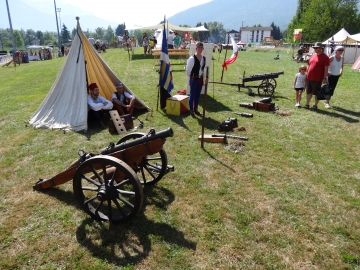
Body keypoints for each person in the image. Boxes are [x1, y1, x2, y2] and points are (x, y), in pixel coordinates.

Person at [304, 42, 330, 110]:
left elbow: (326, 68)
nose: (315, 49)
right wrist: (307, 72)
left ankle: (315, 105)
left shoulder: (325, 57)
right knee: (308, 92)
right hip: (309, 77)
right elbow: (309, 64)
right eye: (314, 48)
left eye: (316, 48)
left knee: (316, 93)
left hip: (317, 78)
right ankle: (307, 104)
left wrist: (324, 78)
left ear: (321, 48)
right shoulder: (313, 55)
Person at [186, 42, 206, 118]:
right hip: (194, 79)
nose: (200, 49)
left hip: (200, 79)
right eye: (199, 47)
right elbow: (187, 71)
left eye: (201, 47)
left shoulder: (203, 58)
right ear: (196, 48)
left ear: (203, 49)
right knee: (192, 95)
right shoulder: (192, 58)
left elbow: (202, 69)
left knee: (198, 95)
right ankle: (191, 110)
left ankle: (195, 109)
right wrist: (192, 77)